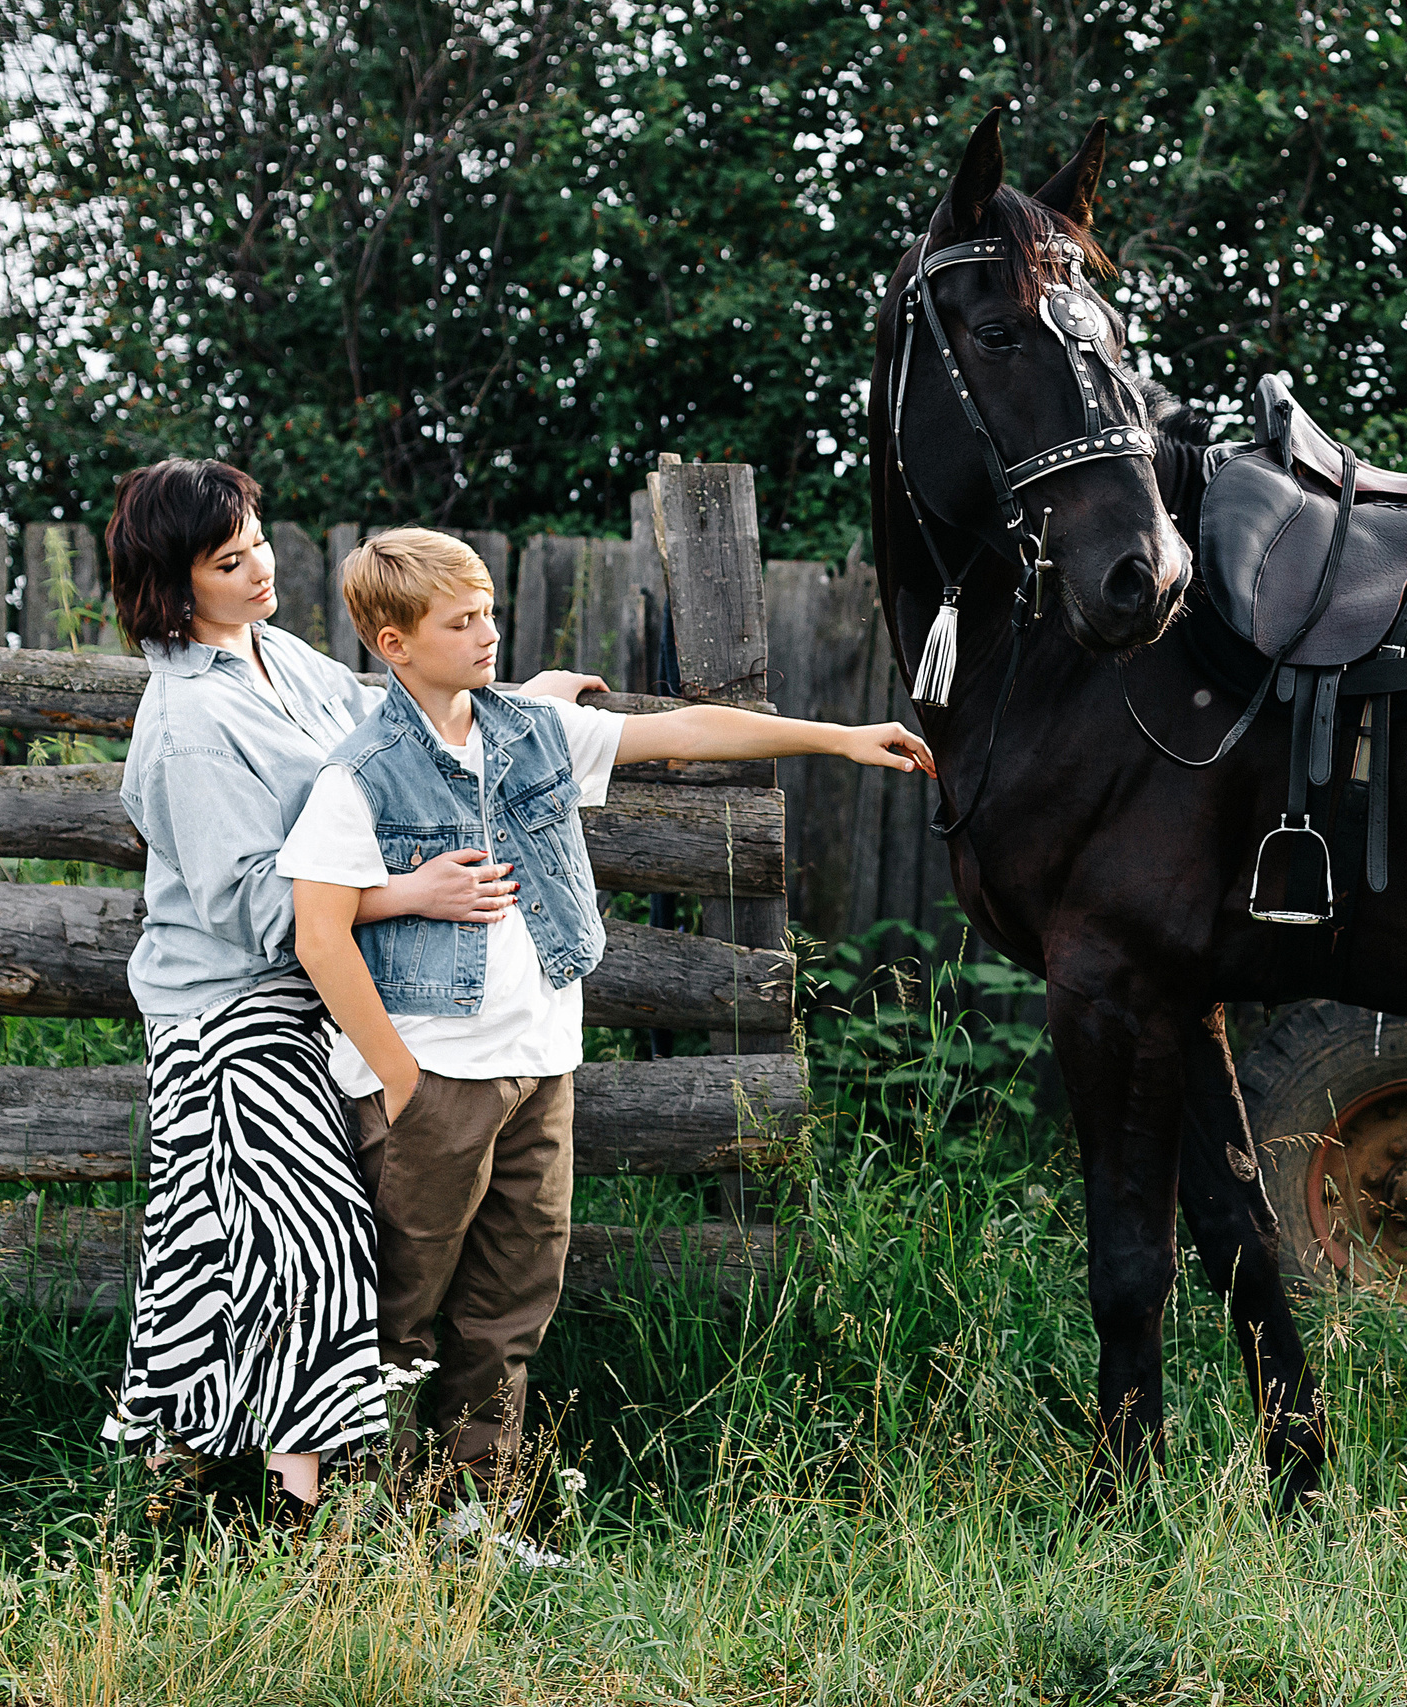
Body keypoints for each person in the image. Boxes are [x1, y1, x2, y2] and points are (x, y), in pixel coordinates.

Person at [280, 528, 931, 1486]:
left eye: (490, 612)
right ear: (394, 642)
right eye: (461, 622)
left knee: (510, 1303)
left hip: (541, 1068)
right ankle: (361, 1525)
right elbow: (319, 936)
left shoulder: (529, 731)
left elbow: (689, 731)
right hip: (433, 1086)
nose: (487, 633)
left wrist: (837, 739)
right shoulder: (361, 773)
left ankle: (474, 1519)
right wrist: (404, 1079)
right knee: (396, 1312)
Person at [104, 460, 589, 1521]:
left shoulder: (285, 660)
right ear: (174, 585)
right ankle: (277, 1496)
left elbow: (394, 721)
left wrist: (523, 701)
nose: (264, 569)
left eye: (260, 541)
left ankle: (247, 1477)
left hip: (322, 992)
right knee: (315, 1236)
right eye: (230, 561)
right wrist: (400, 890)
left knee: (297, 1244)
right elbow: (249, 905)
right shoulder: (187, 721)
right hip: (232, 1007)